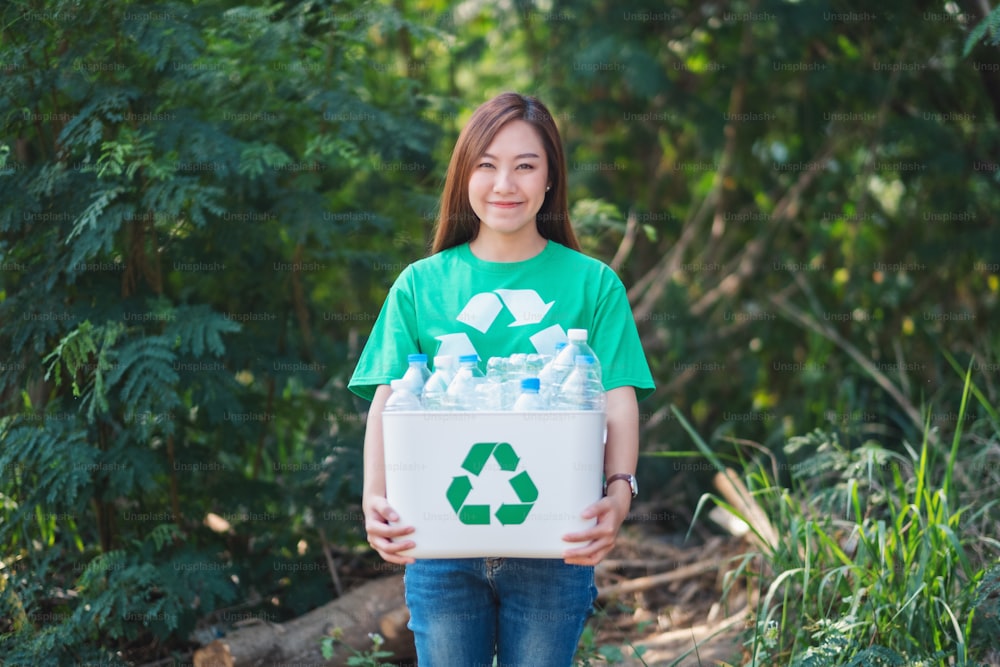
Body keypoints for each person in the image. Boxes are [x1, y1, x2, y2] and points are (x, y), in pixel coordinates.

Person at [348, 92, 655, 666]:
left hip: (555, 544)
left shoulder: (593, 284)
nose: (504, 184)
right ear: (464, 175)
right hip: (439, 544)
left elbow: (618, 399)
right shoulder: (420, 284)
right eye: (486, 164)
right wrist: (374, 500)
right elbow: (387, 399)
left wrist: (619, 494)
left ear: (550, 179)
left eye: (525, 165)